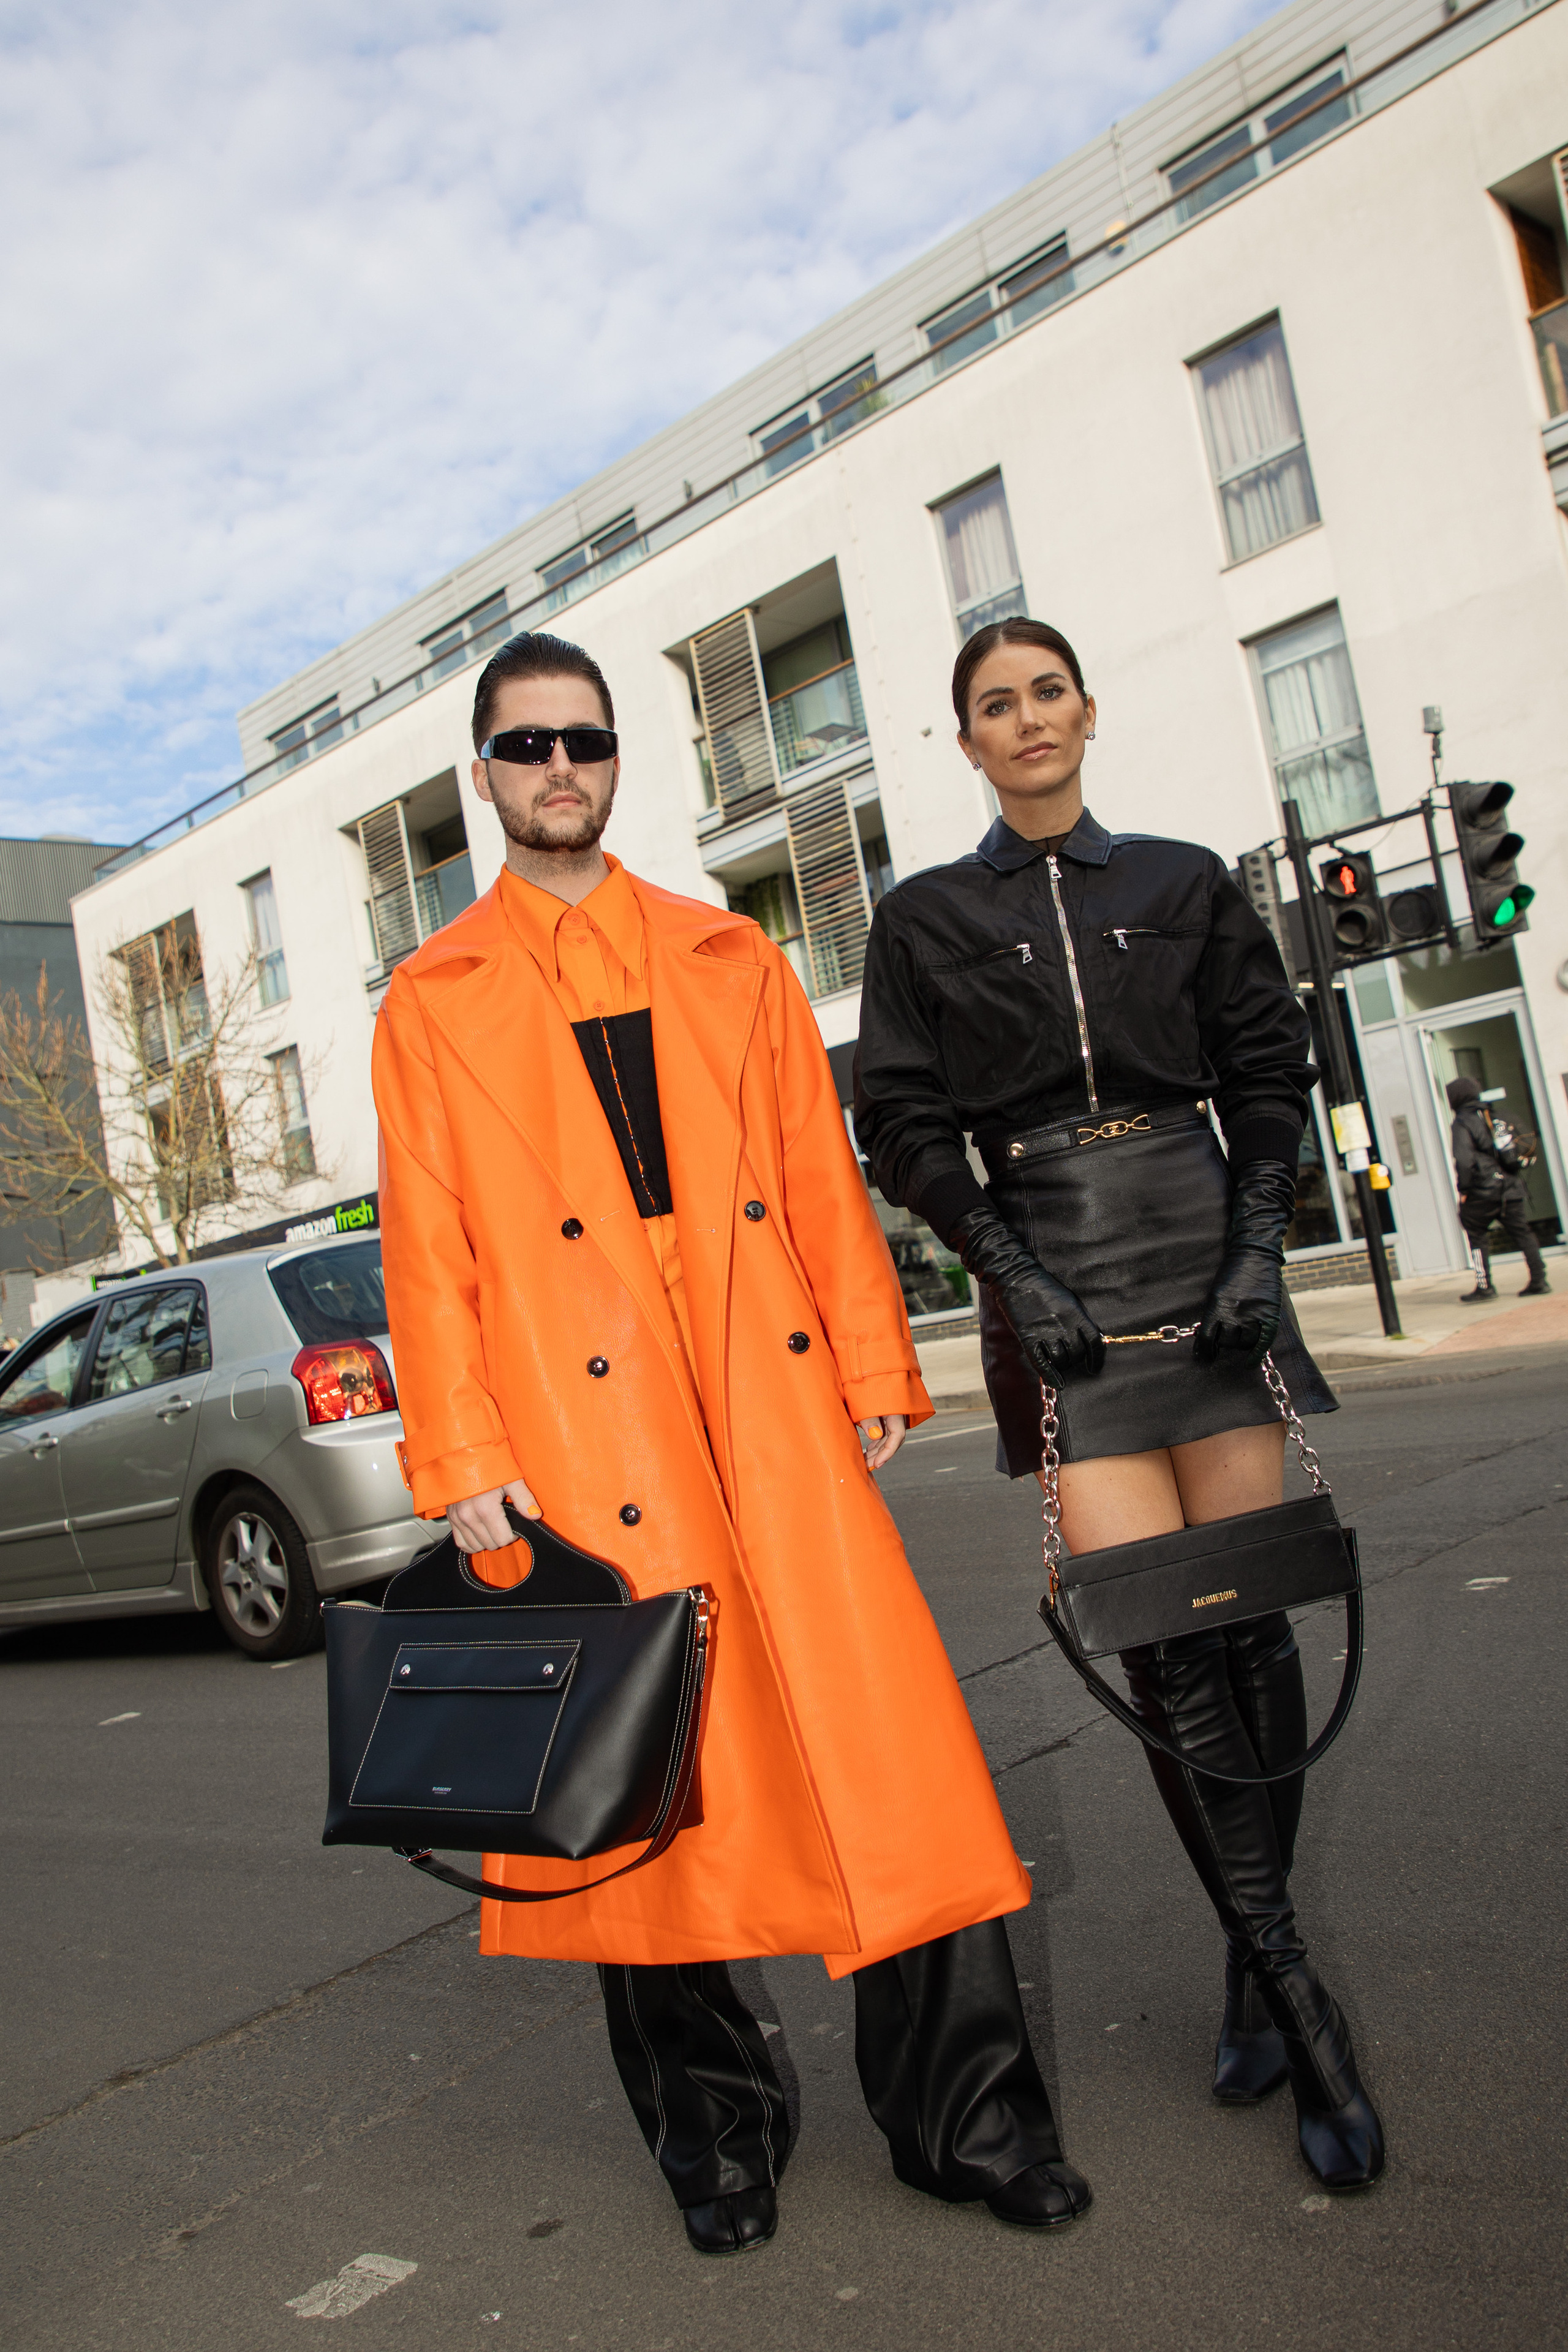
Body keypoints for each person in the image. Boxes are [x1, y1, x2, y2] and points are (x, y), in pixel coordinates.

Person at [371, 629, 1090, 2257]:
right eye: (527, 746)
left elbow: (813, 1167)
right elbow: (432, 1251)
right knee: (635, 1795)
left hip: (762, 1403)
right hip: (577, 1432)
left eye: (585, 741)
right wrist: (460, 1451)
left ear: (616, 762)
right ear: (484, 776)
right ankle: (717, 2143)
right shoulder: (428, 1004)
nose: (559, 769)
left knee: (887, 1759)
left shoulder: (729, 957)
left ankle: (969, 2120)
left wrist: (868, 1347)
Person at [854, 617, 1384, 2193]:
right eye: (990, 706)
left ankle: (1248, 1958)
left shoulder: (1180, 878)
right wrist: (1010, 1274)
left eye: (1042, 694)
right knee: (1168, 1644)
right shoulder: (921, 917)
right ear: (963, 741)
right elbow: (901, 1122)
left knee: (1254, 1627)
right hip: (1059, 1294)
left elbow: (1267, 1068)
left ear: (1084, 711)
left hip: (1205, 1270)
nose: (1023, 721)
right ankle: (1297, 1989)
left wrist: (1256, 1244)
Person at [1447, 1075, 1549, 1300]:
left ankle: (1485, 1287)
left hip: (1482, 1191)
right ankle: (1539, 1280)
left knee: (1476, 1235)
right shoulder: (1492, 1115)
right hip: (1510, 1186)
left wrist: (1464, 1190)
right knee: (1522, 1233)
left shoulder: (1462, 1122)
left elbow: (1464, 1161)